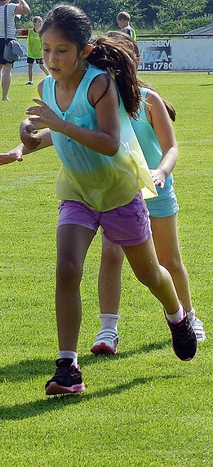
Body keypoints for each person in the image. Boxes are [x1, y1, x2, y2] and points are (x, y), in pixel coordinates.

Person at [0, 5, 197, 395]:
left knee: (149, 273)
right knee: (66, 268)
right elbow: (57, 134)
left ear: (83, 51)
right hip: (77, 193)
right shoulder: (46, 87)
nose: (51, 59)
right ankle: (67, 367)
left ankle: (177, 315)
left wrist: (58, 123)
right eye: (46, 50)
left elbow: (108, 141)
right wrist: (23, 146)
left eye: (61, 50)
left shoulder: (100, 85)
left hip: (119, 192)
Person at [94, 31, 206, 354]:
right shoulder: (100, 102)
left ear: (131, 64)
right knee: (111, 255)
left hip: (157, 191)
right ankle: (107, 331)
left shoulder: (148, 101)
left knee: (169, 259)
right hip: (119, 193)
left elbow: (171, 148)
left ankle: (189, 317)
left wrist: (161, 172)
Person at [20, 15, 49, 85]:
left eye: (41, 21)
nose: (41, 22)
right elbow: (20, 31)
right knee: (30, 66)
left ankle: (49, 77)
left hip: (39, 52)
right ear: (34, 23)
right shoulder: (29, 31)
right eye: (39, 21)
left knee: (41, 66)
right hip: (31, 53)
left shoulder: (42, 32)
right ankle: (30, 81)